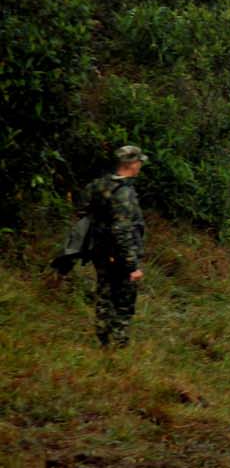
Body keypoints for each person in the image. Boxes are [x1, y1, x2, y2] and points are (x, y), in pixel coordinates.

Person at [83, 145, 147, 348]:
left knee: (104, 292)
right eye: (139, 162)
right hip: (118, 254)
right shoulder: (124, 193)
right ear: (131, 164)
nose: (140, 166)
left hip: (100, 250)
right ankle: (119, 343)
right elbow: (122, 231)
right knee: (123, 300)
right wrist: (132, 265)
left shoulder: (99, 185)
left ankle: (102, 338)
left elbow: (83, 211)